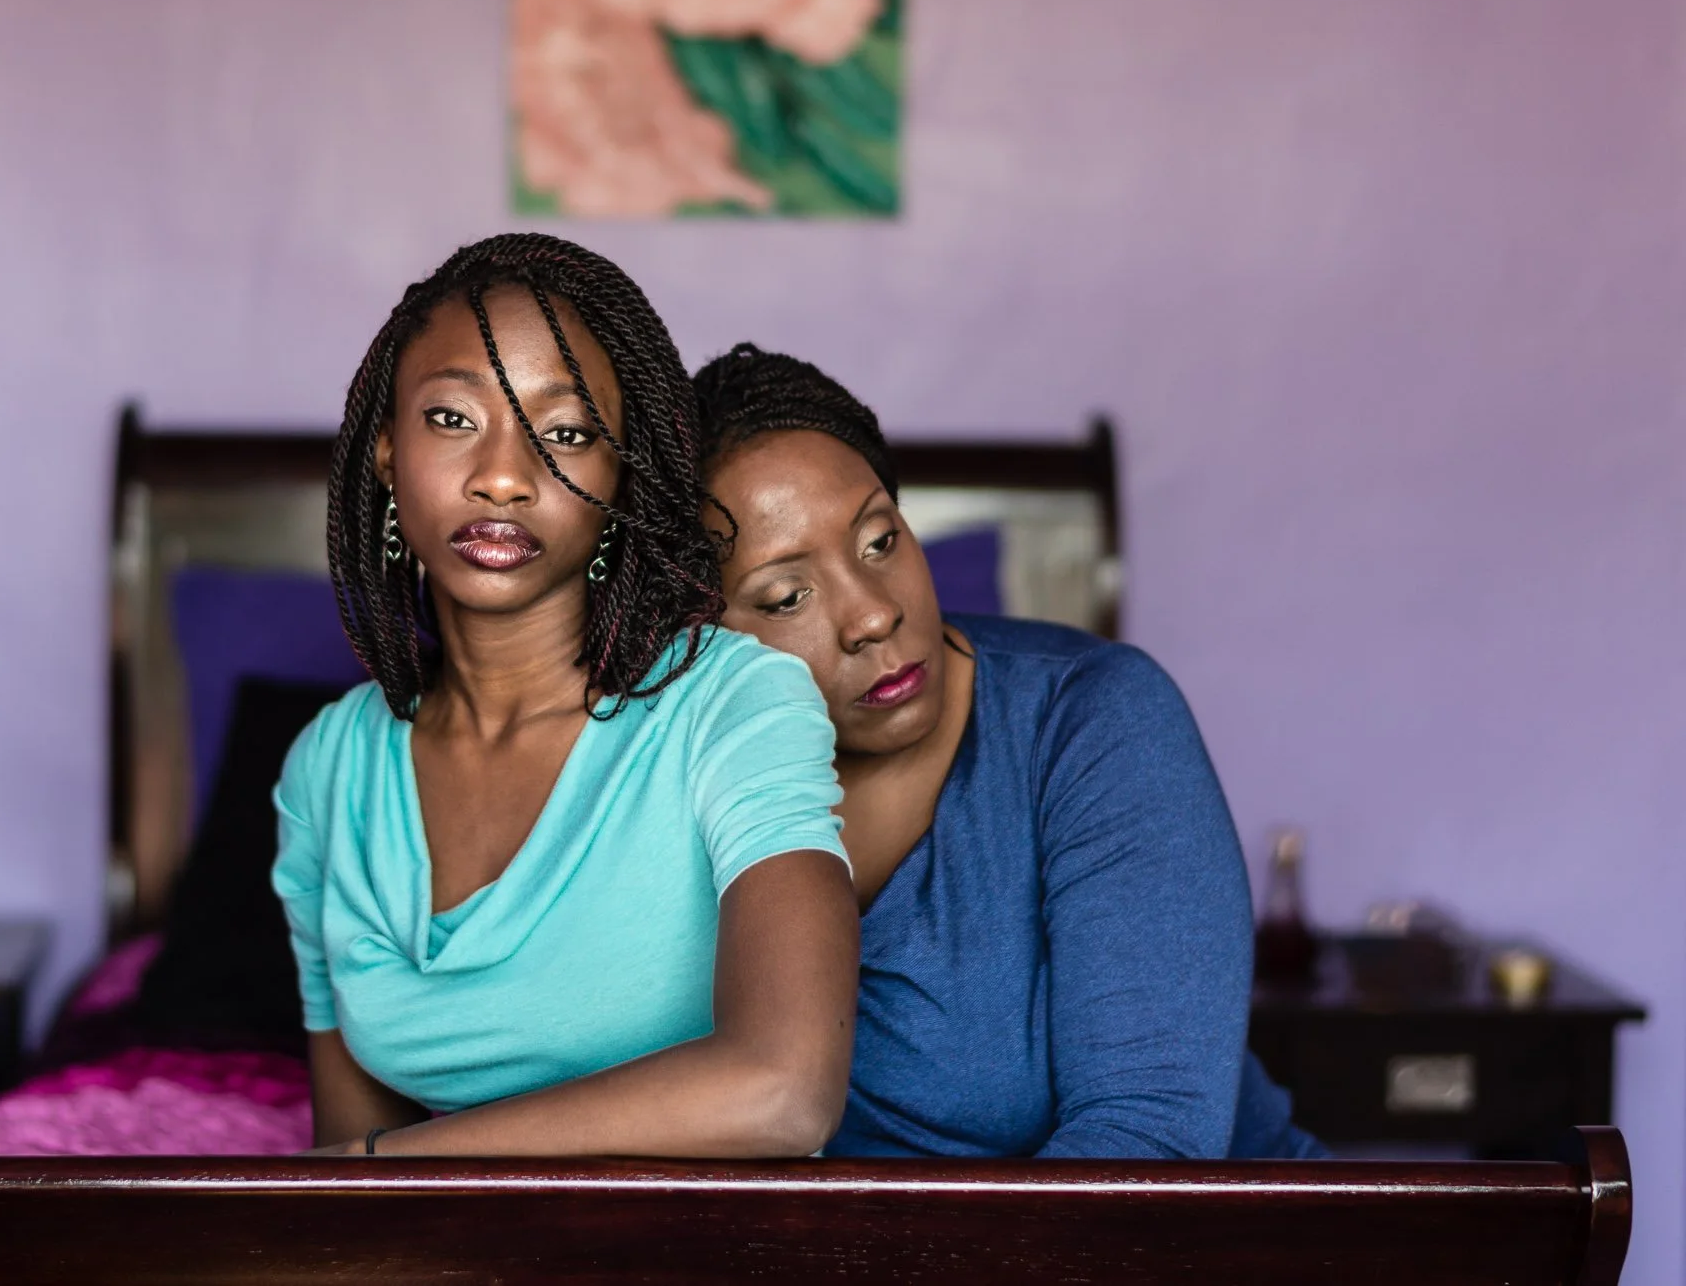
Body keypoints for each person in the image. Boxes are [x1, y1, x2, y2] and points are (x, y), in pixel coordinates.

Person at [271, 240, 857, 1156]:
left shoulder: (734, 703)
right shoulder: (328, 771)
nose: (504, 476)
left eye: (570, 432)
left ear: (622, 477)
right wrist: (377, 1177)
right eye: (453, 416)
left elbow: (785, 1092)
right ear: (386, 450)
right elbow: (350, 1187)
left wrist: (403, 1164)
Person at [693, 343, 1323, 1159]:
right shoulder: (668, 783)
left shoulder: (1093, 721)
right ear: (692, 637)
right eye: (787, 596)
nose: (873, 615)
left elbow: (1148, 1149)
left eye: (880, 540)